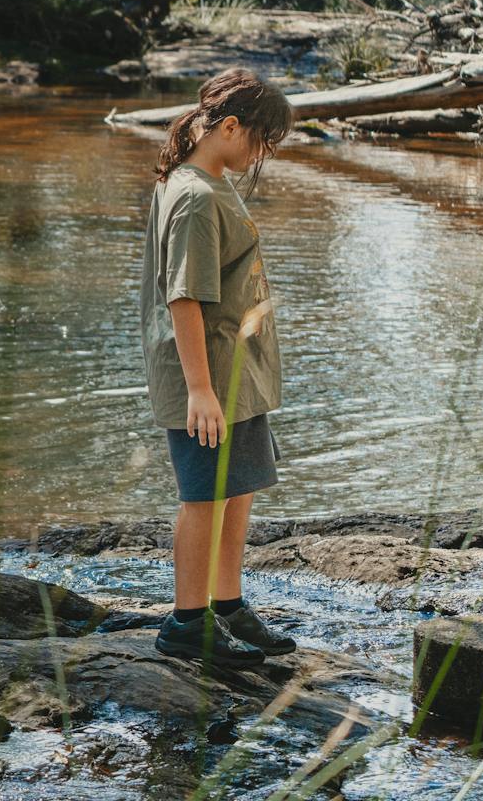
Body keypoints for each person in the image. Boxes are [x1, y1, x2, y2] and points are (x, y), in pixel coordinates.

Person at [141, 67, 298, 666]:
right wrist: (201, 390)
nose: (263, 154)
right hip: (206, 380)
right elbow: (184, 297)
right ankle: (186, 623)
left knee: (238, 491)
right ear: (229, 126)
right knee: (203, 497)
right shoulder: (194, 196)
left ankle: (227, 605)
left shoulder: (208, 180)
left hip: (238, 377)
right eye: (262, 141)